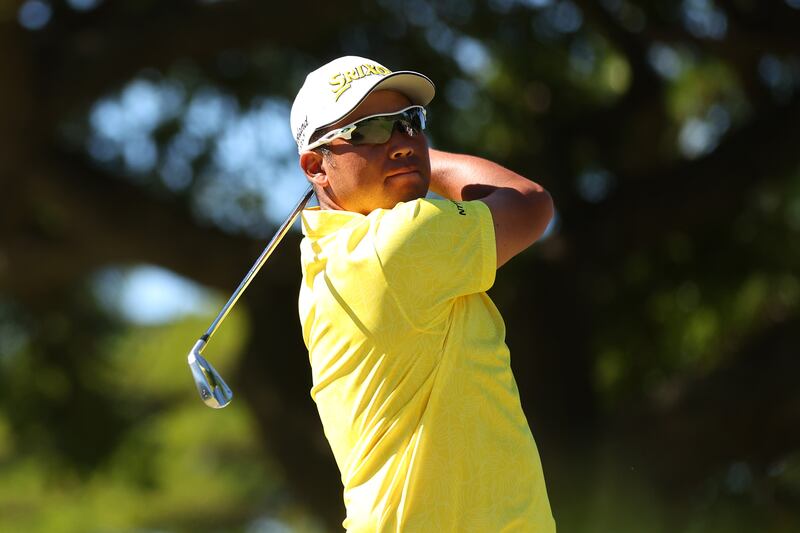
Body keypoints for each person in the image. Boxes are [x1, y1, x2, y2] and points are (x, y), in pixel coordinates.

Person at [290, 55, 556, 532]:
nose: (400, 143)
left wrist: (401, 155)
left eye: (409, 123)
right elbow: (529, 202)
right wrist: (425, 165)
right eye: (369, 130)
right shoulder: (394, 246)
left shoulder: (329, 258)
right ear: (316, 166)